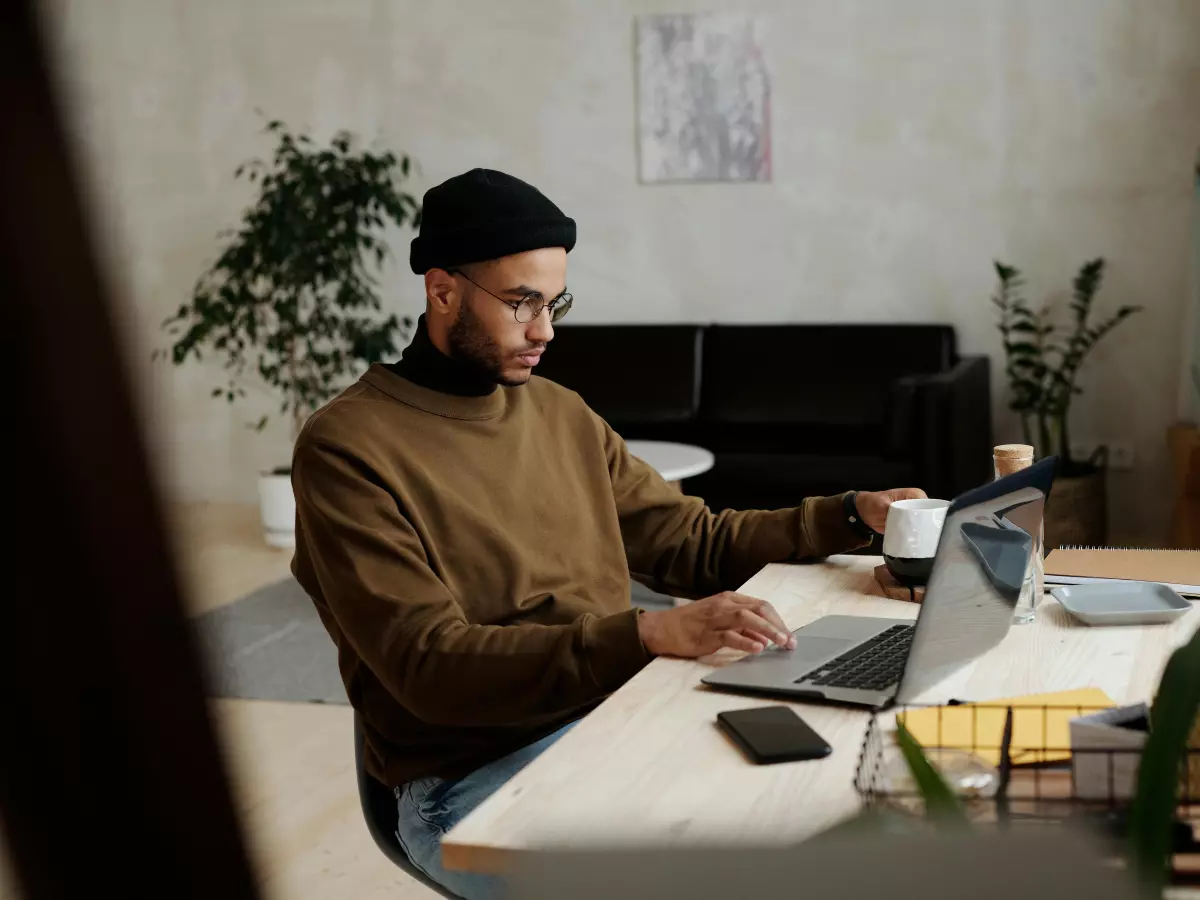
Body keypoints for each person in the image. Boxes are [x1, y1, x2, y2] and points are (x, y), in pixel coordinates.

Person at [290, 168, 926, 898]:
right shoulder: (348, 446)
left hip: (618, 720)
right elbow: (430, 667)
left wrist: (848, 517)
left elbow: (692, 543)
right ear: (442, 290)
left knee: (835, 822)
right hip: (468, 783)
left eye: (554, 302)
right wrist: (648, 635)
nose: (545, 330)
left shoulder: (560, 413)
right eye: (521, 302)